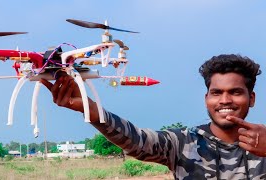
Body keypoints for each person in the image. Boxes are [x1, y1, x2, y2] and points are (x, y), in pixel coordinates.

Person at [40, 54, 266, 180]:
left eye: (235, 92)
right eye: (217, 93)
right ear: (207, 98)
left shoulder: (264, 142)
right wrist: (89, 108)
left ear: (252, 98)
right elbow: (136, 140)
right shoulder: (183, 143)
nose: (225, 100)